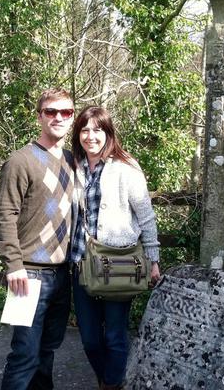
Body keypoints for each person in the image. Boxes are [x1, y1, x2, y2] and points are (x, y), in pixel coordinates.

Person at [70, 106, 161, 390]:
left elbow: (146, 215)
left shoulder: (126, 167)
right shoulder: (73, 166)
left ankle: (111, 384)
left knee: (115, 336)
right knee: (90, 338)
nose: (90, 136)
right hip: (81, 262)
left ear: (109, 133)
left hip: (118, 262)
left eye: (97, 129)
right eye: (85, 129)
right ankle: (106, 378)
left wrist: (153, 259)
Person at [0, 87, 77, 390]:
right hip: (26, 274)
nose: (58, 117)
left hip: (61, 274)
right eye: (50, 112)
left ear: (72, 117)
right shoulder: (21, 160)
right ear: (39, 116)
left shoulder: (72, 161)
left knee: (48, 352)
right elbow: (4, 215)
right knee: (24, 355)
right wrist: (13, 265)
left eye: (65, 112)